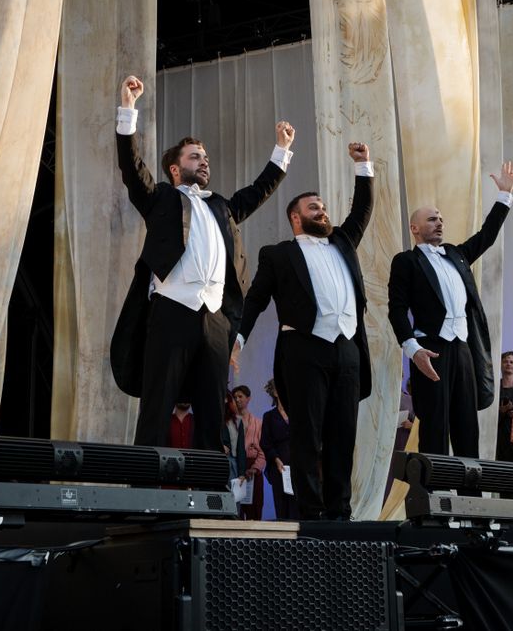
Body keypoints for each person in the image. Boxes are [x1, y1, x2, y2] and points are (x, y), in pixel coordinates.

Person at [110, 74, 295, 451]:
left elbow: (256, 193)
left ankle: (211, 484)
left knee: (213, 410)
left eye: (206, 157)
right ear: (175, 169)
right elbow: (131, 168)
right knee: (158, 405)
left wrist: (281, 150)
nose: (204, 161)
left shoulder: (221, 206)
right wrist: (128, 109)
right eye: (195, 156)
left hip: (214, 319)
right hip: (171, 309)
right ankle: (144, 485)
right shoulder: (161, 198)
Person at [232, 142, 374, 520]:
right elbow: (256, 299)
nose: (322, 211)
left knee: (343, 434)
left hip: (347, 348)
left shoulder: (343, 242)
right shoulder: (278, 254)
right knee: (307, 435)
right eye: (314, 207)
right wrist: (239, 339)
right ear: (296, 217)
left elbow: (362, 210)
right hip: (304, 348)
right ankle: (311, 512)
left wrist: (363, 166)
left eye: (323, 207)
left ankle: (340, 511)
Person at [387, 161, 513, 459]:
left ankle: (469, 487)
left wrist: (504, 196)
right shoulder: (406, 261)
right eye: (432, 219)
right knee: (435, 426)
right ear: (415, 228)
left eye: (441, 219)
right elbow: (396, 308)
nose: (439, 223)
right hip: (431, 349)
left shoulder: (456, 254)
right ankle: (434, 487)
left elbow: (486, 235)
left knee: (467, 425)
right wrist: (413, 350)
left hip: (462, 348)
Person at [260, 378, 299, 520]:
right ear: (275, 392)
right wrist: (276, 460)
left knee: (296, 504)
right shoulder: (269, 416)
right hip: (278, 465)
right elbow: (265, 442)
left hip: (297, 464)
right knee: (281, 504)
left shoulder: (297, 414)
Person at [232, 384, 266, 520]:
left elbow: (263, 450)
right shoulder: (230, 422)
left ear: (248, 398)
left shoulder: (258, 423)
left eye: (240, 396)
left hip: (253, 467)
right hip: (236, 466)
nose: (237, 399)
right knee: (236, 506)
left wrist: (255, 468)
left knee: (255, 507)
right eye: (235, 397)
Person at [221, 390, 247, 483]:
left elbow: (241, 448)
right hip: (214, 461)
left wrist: (242, 473)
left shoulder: (237, 421)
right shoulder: (209, 419)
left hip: (231, 463)